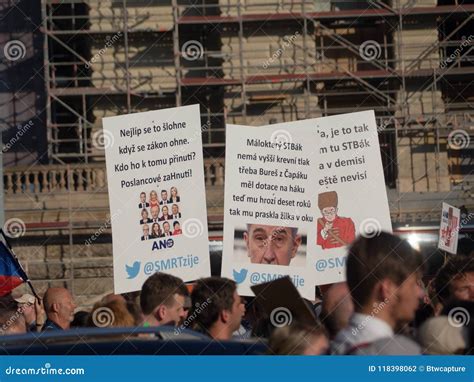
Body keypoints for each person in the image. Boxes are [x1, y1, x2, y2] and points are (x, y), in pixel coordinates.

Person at [331, 232, 424, 354]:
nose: (420, 293)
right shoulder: (402, 356)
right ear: (387, 289)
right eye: (413, 284)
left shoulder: (330, 348)